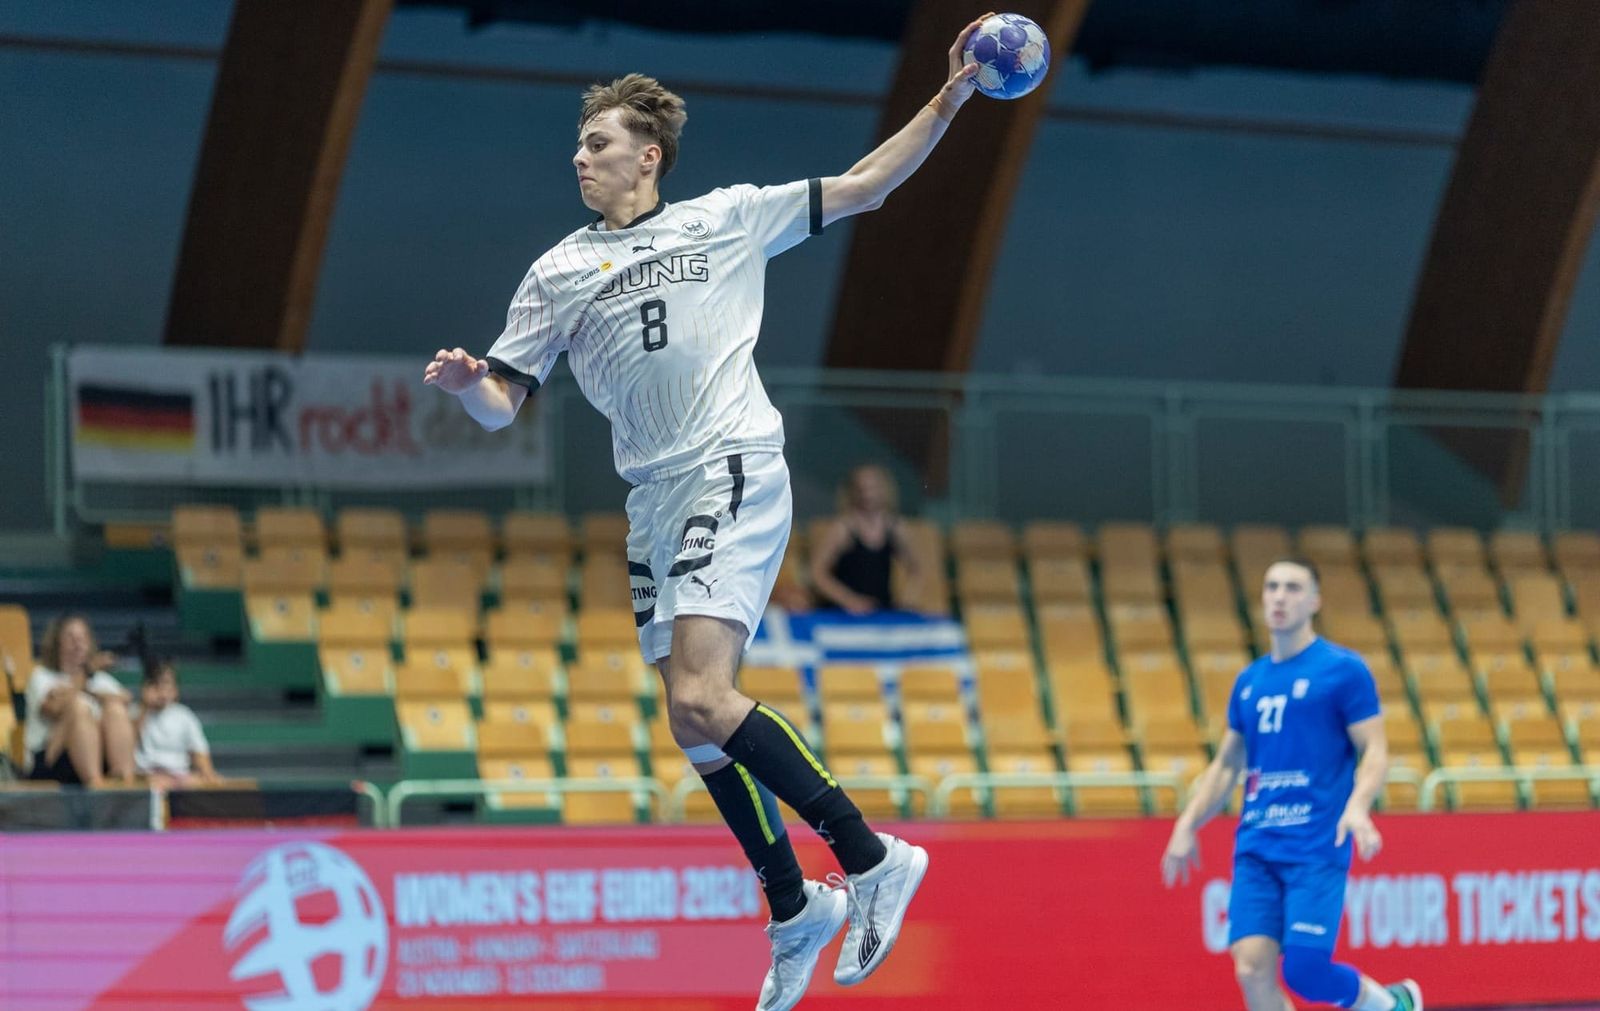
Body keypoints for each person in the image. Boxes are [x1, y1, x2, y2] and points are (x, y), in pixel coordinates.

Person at [424, 14, 999, 1007]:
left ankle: (869, 859)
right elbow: (499, 408)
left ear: (648, 156)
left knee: (702, 696)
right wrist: (468, 383)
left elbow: (869, 185)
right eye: (578, 146)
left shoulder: (727, 217)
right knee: (688, 722)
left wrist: (948, 95)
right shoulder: (556, 273)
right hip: (653, 496)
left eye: (597, 144)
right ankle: (792, 906)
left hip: (727, 462)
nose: (581, 158)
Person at [1160, 559, 1422, 1011]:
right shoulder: (1250, 681)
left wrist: (1358, 806)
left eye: (1294, 588)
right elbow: (1227, 764)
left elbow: (1375, 750)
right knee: (1250, 968)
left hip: (1315, 845)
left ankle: (1393, 1004)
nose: (1280, 596)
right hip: (1258, 847)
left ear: (1315, 601)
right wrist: (1187, 823)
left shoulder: (1342, 670)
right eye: (1272, 587)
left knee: (1304, 970)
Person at [23, 613, 137, 787]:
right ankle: (96, 785)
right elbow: (52, 708)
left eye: (83, 637)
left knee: (115, 709)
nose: (78, 643)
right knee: (78, 708)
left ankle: (124, 782)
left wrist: (92, 691)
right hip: (53, 758)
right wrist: (84, 677)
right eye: (70, 637)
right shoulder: (41, 676)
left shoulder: (101, 679)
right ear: (57, 642)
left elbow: (125, 700)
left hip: (101, 753)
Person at [809, 464, 924, 615]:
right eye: (861, 489)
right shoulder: (843, 529)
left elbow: (917, 569)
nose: (867, 494)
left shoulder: (895, 528)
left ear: (884, 489)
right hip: (843, 613)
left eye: (873, 488)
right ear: (852, 492)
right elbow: (817, 573)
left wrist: (907, 599)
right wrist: (849, 600)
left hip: (880, 611)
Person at [134, 658, 217, 787]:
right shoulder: (135, 713)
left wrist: (208, 774)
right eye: (156, 684)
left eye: (167, 684)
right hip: (146, 775)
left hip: (180, 775)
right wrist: (144, 707)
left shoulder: (184, 715)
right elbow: (130, 743)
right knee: (155, 784)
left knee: (199, 782)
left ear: (175, 689)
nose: (162, 690)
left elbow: (199, 749)